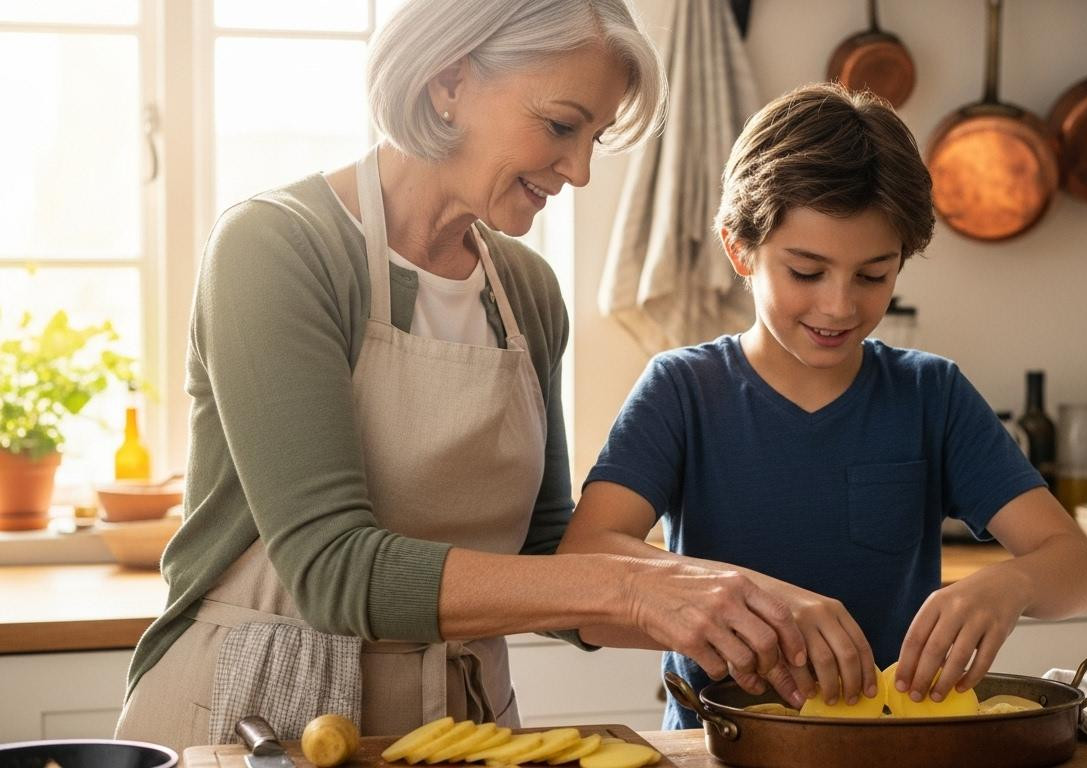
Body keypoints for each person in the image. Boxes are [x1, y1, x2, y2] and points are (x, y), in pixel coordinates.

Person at [116, 0, 811, 751]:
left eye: (595, 139)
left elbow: (544, 560)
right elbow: (333, 569)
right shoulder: (277, 249)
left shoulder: (527, 292)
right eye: (560, 126)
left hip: (460, 720)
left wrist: (745, 608)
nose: (578, 170)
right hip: (258, 713)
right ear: (448, 82)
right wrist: (639, 588)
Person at [558, 83, 1087, 729]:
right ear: (741, 249)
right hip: (726, 747)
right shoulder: (683, 390)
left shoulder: (931, 395)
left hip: (897, 745)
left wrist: (1012, 585)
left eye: (873, 275)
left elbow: (1082, 571)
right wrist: (757, 604)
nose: (840, 306)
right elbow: (584, 574)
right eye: (807, 272)